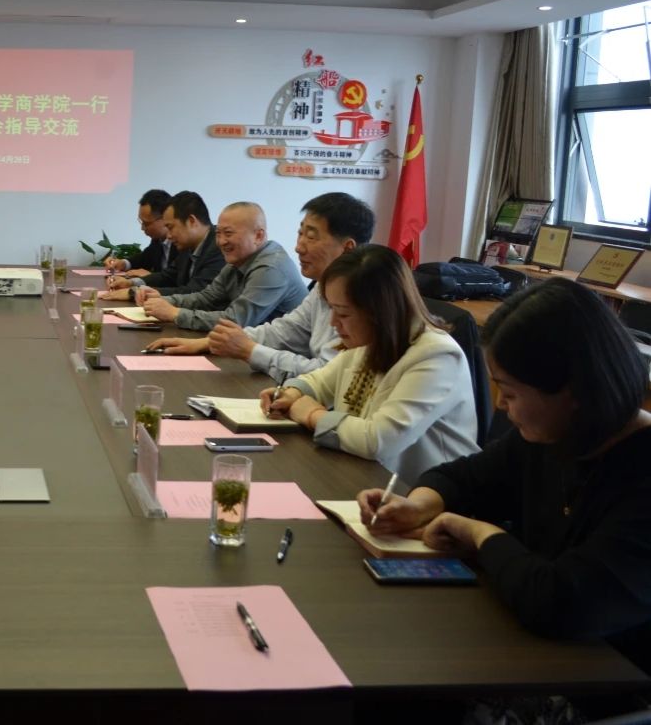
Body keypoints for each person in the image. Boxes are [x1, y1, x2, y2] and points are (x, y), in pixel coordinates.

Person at [359, 278, 651, 670]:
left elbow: (561, 603)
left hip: (611, 676)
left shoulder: (638, 473)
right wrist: (419, 505)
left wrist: (479, 534)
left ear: (573, 391)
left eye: (509, 392)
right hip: (536, 651)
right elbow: (466, 477)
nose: (499, 406)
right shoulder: (556, 434)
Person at [262, 244, 479, 484]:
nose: (333, 322)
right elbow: (320, 381)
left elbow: (378, 441)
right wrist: (292, 393)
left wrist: (313, 415)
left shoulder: (437, 357)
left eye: (343, 313)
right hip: (366, 478)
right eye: (332, 309)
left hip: (420, 495)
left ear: (380, 312)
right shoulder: (371, 340)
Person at [147, 192, 375, 382]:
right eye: (300, 234)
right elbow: (283, 331)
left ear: (347, 248)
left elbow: (329, 375)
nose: (298, 247)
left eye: (311, 237)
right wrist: (208, 342)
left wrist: (250, 351)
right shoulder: (322, 286)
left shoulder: (363, 296)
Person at [137, 201, 306, 330]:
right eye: (218, 233)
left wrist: (175, 314)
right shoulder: (238, 260)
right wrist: (162, 300)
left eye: (228, 233)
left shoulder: (271, 268)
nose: (221, 242)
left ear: (258, 236)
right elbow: (206, 298)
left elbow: (236, 321)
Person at [100, 191, 224, 300]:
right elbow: (169, 276)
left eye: (171, 227)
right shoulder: (189, 245)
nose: (168, 236)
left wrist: (135, 292)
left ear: (191, 221)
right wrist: (131, 283)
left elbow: (194, 292)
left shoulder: (218, 248)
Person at [103, 188, 174, 277]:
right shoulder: (158, 240)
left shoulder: (182, 243)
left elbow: (178, 280)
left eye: (146, 223)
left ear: (165, 218)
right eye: (141, 222)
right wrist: (123, 263)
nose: (142, 228)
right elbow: (144, 258)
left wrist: (151, 276)